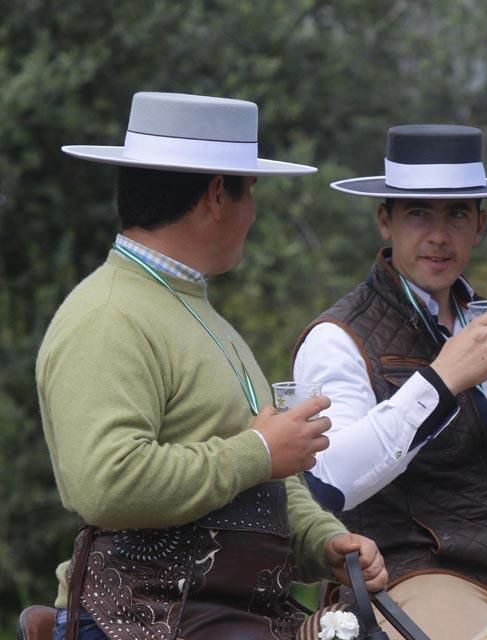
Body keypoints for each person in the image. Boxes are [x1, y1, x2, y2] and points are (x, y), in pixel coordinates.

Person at [37, 91, 386, 640]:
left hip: (217, 619)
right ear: (219, 194)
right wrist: (261, 449)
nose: (254, 214)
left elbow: (263, 478)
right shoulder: (107, 316)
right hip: (138, 622)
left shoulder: (199, 315)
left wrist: (324, 541)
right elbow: (106, 483)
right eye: (252, 194)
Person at [291, 124, 487, 639]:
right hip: (410, 572)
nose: (438, 234)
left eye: (456, 213)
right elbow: (329, 481)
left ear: (480, 225)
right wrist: (442, 380)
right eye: (418, 213)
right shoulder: (337, 338)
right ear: (385, 221)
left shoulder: (482, 320)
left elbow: (477, 470)